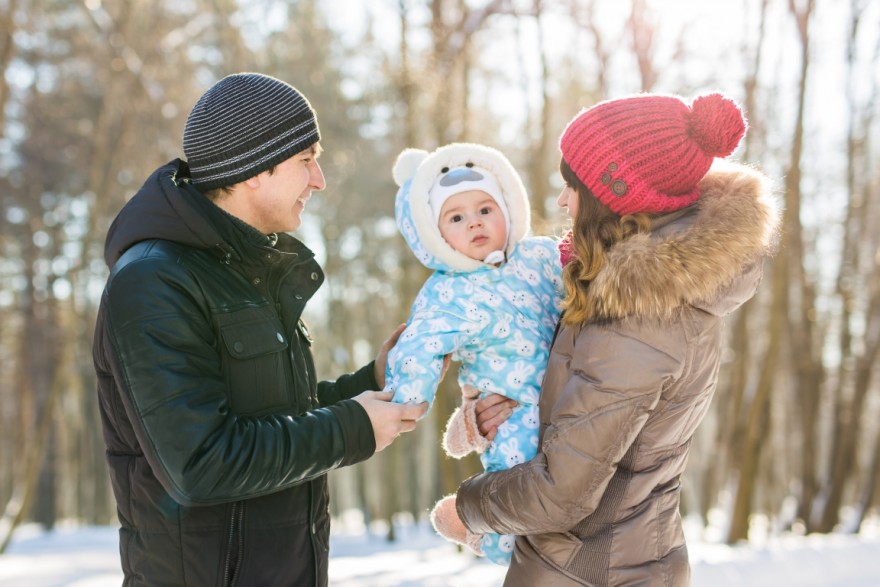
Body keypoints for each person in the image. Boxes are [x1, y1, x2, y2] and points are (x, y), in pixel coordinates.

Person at [92, 72, 427, 587]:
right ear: (253, 170)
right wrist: (351, 429)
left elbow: (272, 416)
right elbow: (201, 464)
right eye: (306, 160)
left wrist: (371, 383)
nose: (319, 180)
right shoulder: (153, 282)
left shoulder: (243, 270)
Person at [454, 92, 781, 585]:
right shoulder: (645, 298)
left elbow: (559, 494)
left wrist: (468, 506)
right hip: (625, 561)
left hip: (586, 571)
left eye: (573, 186)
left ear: (615, 194)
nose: (563, 201)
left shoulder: (637, 318)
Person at [384, 143, 562, 564]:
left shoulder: (540, 256)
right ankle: (496, 542)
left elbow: (584, 273)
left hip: (569, 397)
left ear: (509, 208)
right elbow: (420, 344)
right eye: (456, 217)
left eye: (486, 209)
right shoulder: (449, 291)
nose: (475, 223)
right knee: (513, 477)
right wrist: (408, 397)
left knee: (565, 485)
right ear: (435, 234)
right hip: (509, 409)